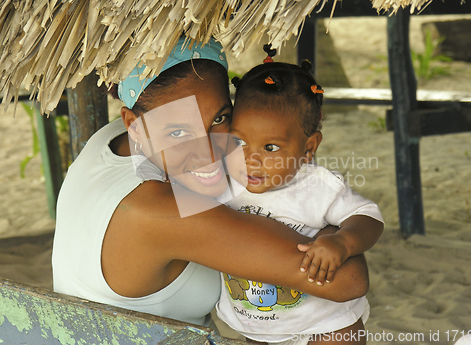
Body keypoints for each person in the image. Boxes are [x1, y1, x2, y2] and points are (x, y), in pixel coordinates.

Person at [51, 37, 374, 330]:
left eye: (219, 119)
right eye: (179, 133)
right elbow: (350, 280)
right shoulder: (162, 211)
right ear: (134, 125)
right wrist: (331, 231)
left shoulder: (109, 140)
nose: (209, 152)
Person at [215, 47, 384, 345]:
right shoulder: (222, 180)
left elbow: (368, 217)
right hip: (254, 326)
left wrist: (342, 242)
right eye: (239, 140)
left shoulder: (317, 187)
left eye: (270, 148)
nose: (250, 158)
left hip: (325, 325)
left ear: (308, 148)